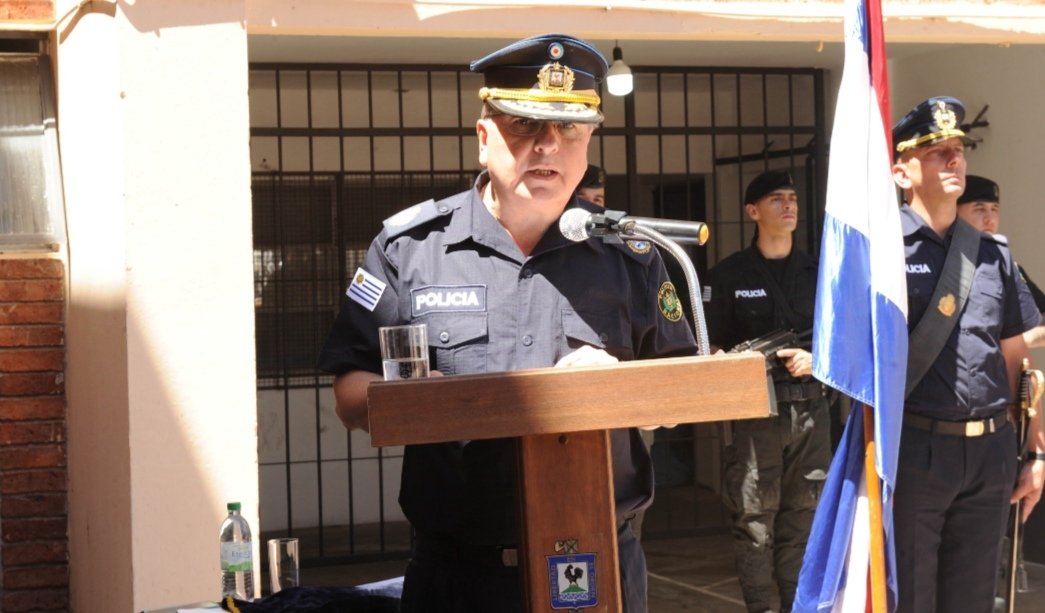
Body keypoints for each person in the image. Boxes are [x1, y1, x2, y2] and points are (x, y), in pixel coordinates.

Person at [317, 34, 697, 613]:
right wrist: (431, 403)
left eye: (569, 129)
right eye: (524, 124)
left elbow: (681, 394)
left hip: (599, 564)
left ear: (589, 139)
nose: (548, 146)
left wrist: (611, 386)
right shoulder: (411, 249)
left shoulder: (631, 254)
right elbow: (349, 394)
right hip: (458, 575)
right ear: (483, 136)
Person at [890, 96, 1044, 612]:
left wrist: (1035, 451)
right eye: (937, 151)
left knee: (974, 600)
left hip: (991, 451)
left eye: (959, 150)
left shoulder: (992, 251)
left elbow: (1017, 359)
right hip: (915, 449)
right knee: (911, 597)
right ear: (902, 171)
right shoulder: (883, 250)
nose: (954, 160)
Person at [703, 170, 831, 613]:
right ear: (752, 211)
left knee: (803, 519)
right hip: (758, 414)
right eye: (776, 199)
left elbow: (848, 341)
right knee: (754, 521)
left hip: (813, 411)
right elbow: (709, 345)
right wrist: (736, 363)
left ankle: (799, 605)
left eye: (793, 198)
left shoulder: (820, 271)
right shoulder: (728, 276)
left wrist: (817, 360)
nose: (789, 206)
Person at [956, 174, 1045, 348]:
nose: (990, 219)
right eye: (979, 209)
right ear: (955, 212)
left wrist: (1013, 342)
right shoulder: (940, 259)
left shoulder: (1005, 265)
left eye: (994, 209)